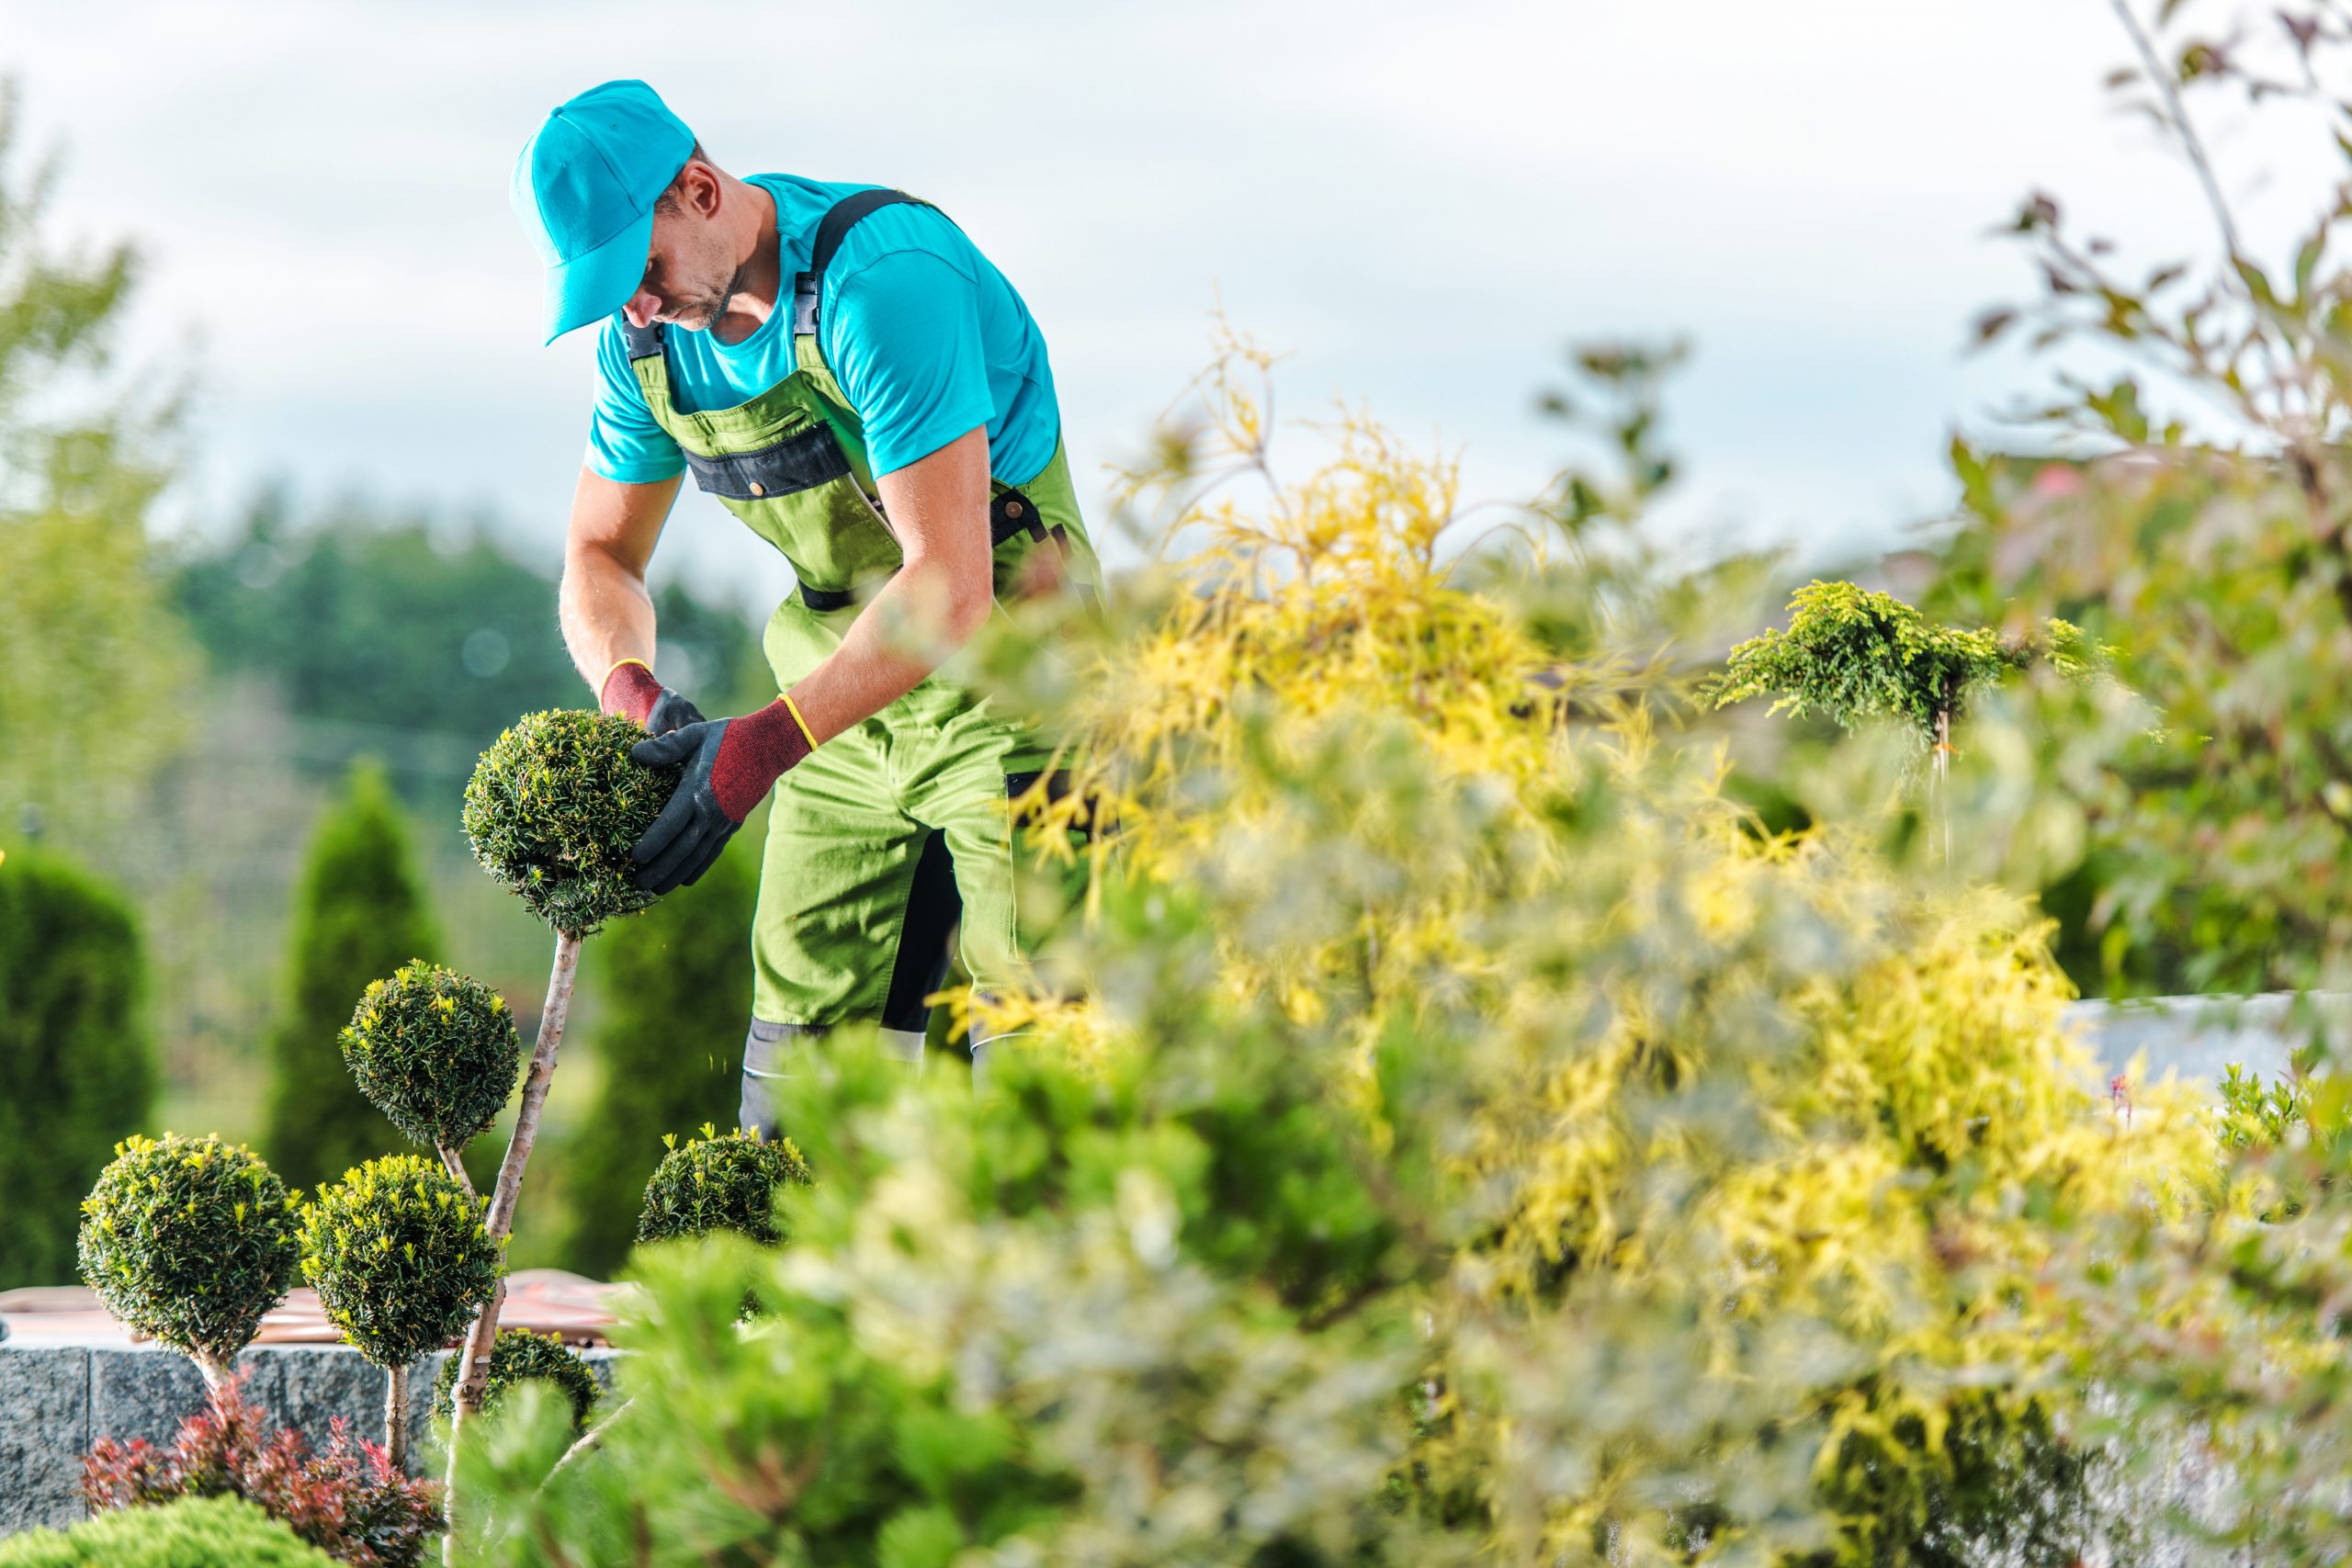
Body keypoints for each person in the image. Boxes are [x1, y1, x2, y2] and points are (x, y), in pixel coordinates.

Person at [511, 79, 1097, 1129]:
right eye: (608, 292)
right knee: (797, 1081)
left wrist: (763, 748)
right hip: (842, 703)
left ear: (697, 190)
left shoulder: (885, 283)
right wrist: (626, 687)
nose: (634, 306)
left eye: (638, 272)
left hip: (1018, 679)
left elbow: (949, 586)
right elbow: (600, 552)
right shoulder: (644, 349)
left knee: (1041, 1067)